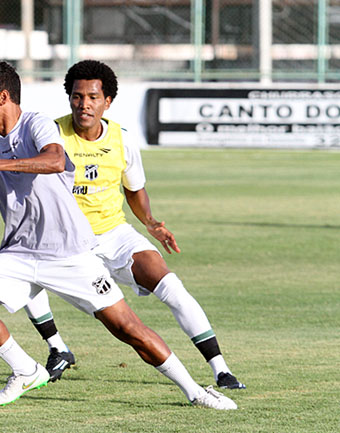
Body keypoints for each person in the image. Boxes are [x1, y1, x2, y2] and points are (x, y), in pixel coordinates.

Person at [0, 61, 237, 410]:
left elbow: (55, 160)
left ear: (2, 98)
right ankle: (25, 369)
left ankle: (195, 390)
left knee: (127, 329)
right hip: (18, 253)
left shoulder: (37, 124)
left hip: (70, 254)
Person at [21, 59, 245, 390]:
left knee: (172, 287)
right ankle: (58, 348)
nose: (85, 104)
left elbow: (134, 190)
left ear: (107, 101)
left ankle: (221, 371)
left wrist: (152, 223)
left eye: (93, 97)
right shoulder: (51, 135)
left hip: (115, 233)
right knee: (25, 275)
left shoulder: (122, 140)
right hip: (69, 242)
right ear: (69, 97)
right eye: (78, 96)